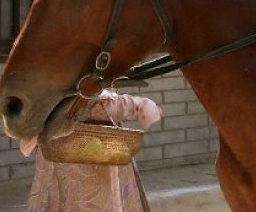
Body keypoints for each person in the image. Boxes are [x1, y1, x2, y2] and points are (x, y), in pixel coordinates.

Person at [23, 90, 162, 212]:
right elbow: (92, 105)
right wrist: (137, 106)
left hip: (57, 148)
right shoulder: (75, 80)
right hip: (86, 156)